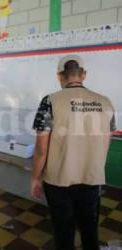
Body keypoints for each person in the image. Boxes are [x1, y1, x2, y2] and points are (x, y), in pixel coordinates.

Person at [31, 55, 116, 250]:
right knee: (89, 231)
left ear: (59, 76)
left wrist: (35, 178)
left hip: (59, 181)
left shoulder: (50, 101)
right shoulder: (106, 102)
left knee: (63, 232)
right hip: (92, 178)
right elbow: (106, 142)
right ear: (83, 75)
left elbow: (41, 149)